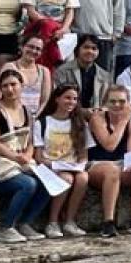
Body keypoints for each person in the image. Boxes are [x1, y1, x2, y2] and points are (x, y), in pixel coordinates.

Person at [0, 68, 50, 243]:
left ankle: (25, 223)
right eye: (5, 86)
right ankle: (6, 227)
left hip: (19, 160)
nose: (10, 89)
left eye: (13, 85)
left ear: (21, 86)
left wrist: (27, 154)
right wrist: (17, 157)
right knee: (28, 184)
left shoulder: (27, 111)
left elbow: (31, 140)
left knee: (48, 182)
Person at [86, 85, 131, 237]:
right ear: (106, 104)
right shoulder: (98, 119)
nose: (117, 105)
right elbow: (109, 145)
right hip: (97, 164)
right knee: (112, 171)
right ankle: (108, 221)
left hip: (119, 164)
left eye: (122, 102)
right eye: (112, 101)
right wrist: (123, 121)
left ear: (128, 103)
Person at [34, 84, 91, 238]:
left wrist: (79, 165)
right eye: (67, 98)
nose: (71, 102)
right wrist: (55, 165)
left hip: (72, 166)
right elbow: (39, 157)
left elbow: (84, 155)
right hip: (50, 166)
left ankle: (69, 221)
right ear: (57, 99)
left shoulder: (80, 124)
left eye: (74, 99)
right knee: (65, 178)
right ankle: (52, 222)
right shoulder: (42, 123)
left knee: (83, 178)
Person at [54, 33, 116, 111]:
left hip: (96, 117)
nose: (90, 51)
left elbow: (109, 102)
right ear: (77, 49)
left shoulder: (105, 76)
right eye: (86, 47)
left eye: (94, 48)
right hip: (70, 115)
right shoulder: (63, 71)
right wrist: (82, 112)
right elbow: (57, 99)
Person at [0, 34, 49, 116]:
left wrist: (34, 119)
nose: (34, 51)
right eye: (31, 47)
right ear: (22, 47)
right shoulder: (10, 67)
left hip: (35, 118)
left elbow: (44, 101)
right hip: (11, 116)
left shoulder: (44, 71)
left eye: (38, 49)